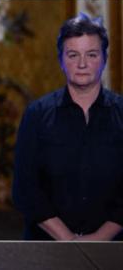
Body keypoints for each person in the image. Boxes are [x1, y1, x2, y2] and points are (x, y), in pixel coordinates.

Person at [13, 13, 123, 241]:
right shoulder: (36, 115)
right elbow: (25, 190)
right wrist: (69, 241)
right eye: (73, 55)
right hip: (46, 249)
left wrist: (98, 240)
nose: (82, 64)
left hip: (114, 250)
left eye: (91, 54)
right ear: (61, 60)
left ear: (104, 58)